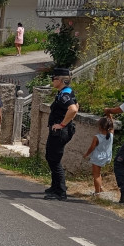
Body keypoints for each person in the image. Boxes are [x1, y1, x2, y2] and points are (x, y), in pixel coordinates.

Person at [44, 68, 79, 201]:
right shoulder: (66, 92)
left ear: (59, 80)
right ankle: (55, 186)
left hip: (60, 131)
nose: (52, 81)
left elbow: (73, 109)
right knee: (50, 156)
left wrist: (63, 124)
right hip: (59, 131)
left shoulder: (65, 94)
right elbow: (77, 105)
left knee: (54, 159)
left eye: (53, 79)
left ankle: (60, 191)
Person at [82, 116, 114, 197]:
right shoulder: (111, 135)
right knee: (99, 174)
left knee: (96, 175)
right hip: (107, 157)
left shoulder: (97, 137)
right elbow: (112, 126)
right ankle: (100, 188)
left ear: (100, 127)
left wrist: (86, 154)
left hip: (98, 157)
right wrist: (110, 116)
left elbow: (92, 148)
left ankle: (97, 192)